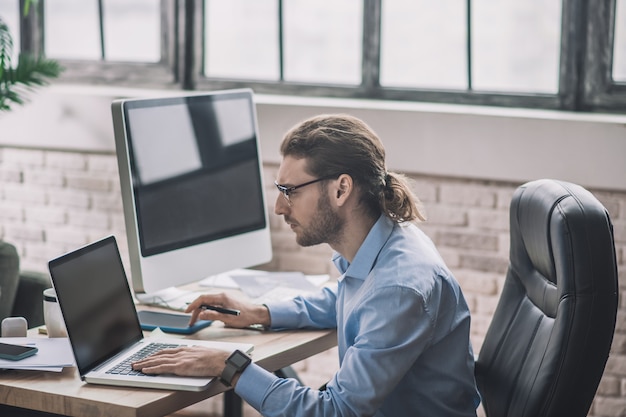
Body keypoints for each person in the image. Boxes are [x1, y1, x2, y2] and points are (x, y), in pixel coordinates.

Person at [132, 114, 481, 417]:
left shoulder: (399, 287)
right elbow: (349, 300)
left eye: (290, 190)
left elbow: (335, 412)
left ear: (341, 189)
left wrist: (230, 366)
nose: (280, 208)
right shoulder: (391, 242)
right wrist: (261, 312)